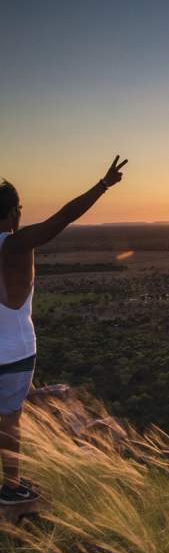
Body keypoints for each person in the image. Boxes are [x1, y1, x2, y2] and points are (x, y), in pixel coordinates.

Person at [0, 155, 128, 505]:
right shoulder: (17, 243)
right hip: (14, 352)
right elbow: (64, 217)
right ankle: (11, 488)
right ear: (13, 213)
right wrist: (103, 185)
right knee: (10, 418)